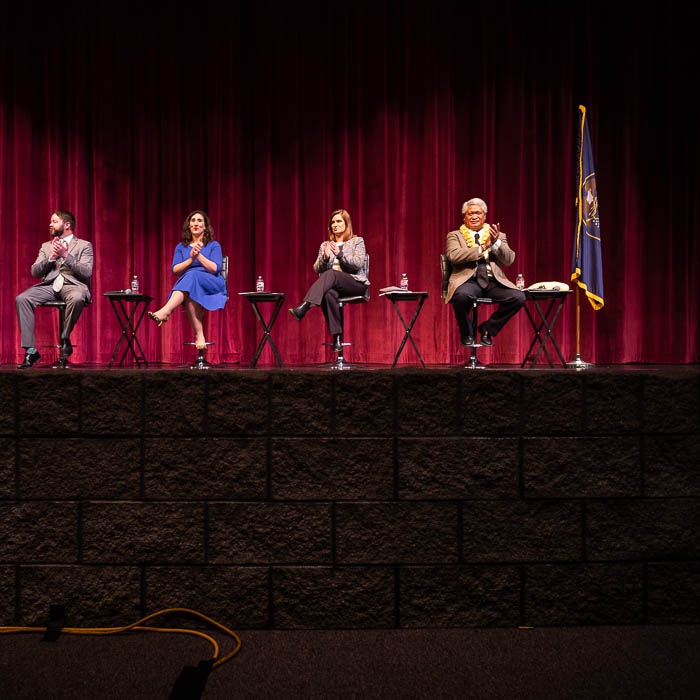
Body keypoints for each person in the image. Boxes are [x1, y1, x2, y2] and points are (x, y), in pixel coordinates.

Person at [16, 209, 94, 369]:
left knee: (78, 296)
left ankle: (65, 335)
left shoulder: (84, 245)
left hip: (72, 285)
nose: (50, 224)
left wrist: (66, 255)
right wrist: (50, 258)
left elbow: (87, 271)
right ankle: (31, 351)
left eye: (54, 221)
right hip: (50, 286)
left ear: (67, 225)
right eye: (51, 221)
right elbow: (35, 271)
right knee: (22, 298)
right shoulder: (46, 246)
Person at [444, 197, 525, 347]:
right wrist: (482, 248)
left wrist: (496, 244)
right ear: (464, 217)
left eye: (478, 213)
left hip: (493, 281)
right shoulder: (455, 235)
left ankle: (488, 329)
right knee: (461, 296)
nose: (474, 216)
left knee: (518, 297)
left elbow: (509, 260)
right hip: (469, 280)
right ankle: (467, 333)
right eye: (470, 214)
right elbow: (454, 256)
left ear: (485, 216)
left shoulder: (498, 235)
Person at [288, 208, 369, 352]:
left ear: (346, 223)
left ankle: (305, 306)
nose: (335, 225)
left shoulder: (357, 241)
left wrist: (340, 254)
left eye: (338, 221)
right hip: (335, 287)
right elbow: (317, 269)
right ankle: (337, 337)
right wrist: (325, 258)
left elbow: (357, 264)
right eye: (333, 222)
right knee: (328, 293)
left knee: (331, 274)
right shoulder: (325, 245)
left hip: (355, 283)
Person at [147, 209, 227, 350]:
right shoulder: (181, 247)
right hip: (191, 284)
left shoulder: (214, 245)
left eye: (199, 221)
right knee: (190, 289)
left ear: (205, 226)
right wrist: (191, 259)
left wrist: (198, 256)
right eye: (193, 220)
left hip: (212, 282)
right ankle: (199, 335)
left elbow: (214, 268)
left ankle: (165, 311)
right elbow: (176, 269)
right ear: (189, 225)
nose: (196, 223)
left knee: (192, 276)